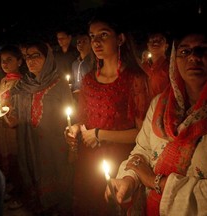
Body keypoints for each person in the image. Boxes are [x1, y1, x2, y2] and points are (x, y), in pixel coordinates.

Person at [105, 14, 207, 216]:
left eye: (204, 50)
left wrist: (153, 181)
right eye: (185, 50)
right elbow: (142, 151)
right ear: (175, 57)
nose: (194, 57)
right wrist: (129, 180)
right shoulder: (159, 105)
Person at [65, 6, 150, 216]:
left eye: (104, 34)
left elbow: (142, 134)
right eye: (92, 36)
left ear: (120, 39)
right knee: (89, 205)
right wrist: (74, 129)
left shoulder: (134, 80)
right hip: (89, 159)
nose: (95, 42)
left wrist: (98, 135)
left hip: (119, 160)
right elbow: (83, 119)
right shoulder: (88, 80)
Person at [7, 41, 74, 215]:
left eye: (36, 55)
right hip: (29, 142)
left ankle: (56, 205)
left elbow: (71, 116)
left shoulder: (58, 85)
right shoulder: (22, 85)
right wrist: (11, 118)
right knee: (31, 170)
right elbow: (15, 114)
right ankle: (36, 202)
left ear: (48, 58)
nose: (30, 60)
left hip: (53, 145)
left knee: (55, 177)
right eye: (27, 57)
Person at [0, 44, 24, 209]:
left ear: (19, 61)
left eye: (9, 60)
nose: (5, 64)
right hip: (1, 125)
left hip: (12, 126)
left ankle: (18, 192)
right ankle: (7, 185)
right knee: (4, 156)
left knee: (14, 157)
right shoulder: (3, 80)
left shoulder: (21, 83)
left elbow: (19, 107)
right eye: (2, 61)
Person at [141, 30, 171, 99]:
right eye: (152, 40)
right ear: (148, 46)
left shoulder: (170, 67)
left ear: (166, 46)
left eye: (160, 40)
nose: (155, 42)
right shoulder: (143, 66)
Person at [71, 32, 92, 102]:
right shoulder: (74, 64)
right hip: (76, 98)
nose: (81, 44)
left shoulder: (93, 63)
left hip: (89, 98)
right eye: (79, 42)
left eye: (84, 41)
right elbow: (74, 81)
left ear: (91, 44)